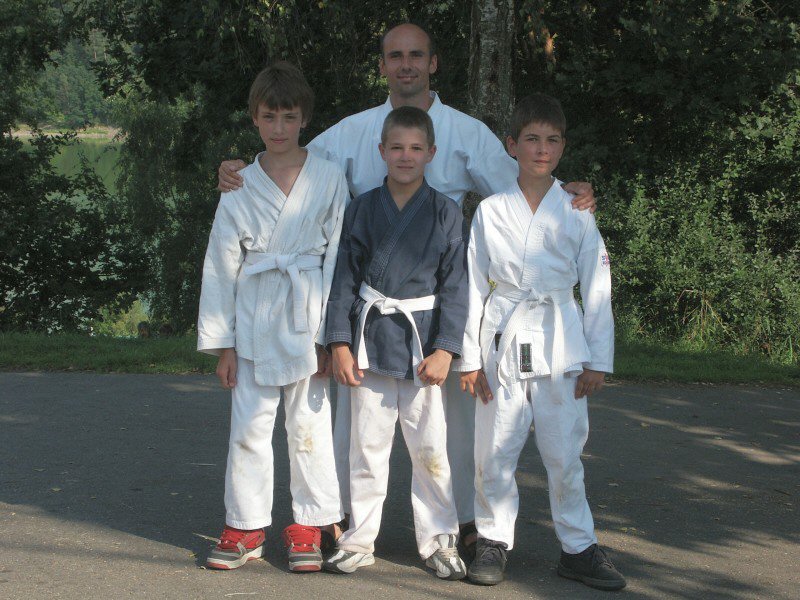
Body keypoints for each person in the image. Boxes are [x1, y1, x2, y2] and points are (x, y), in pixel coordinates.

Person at [216, 22, 597, 560]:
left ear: (433, 63)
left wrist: (570, 193)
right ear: (382, 66)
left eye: (416, 55)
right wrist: (241, 170)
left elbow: (521, 187)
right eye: (395, 56)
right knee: (356, 427)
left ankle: (461, 523)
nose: (406, 65)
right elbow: (289, 156)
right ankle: (339, 520)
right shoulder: (354, 131)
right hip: (370, 304)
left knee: (448, 428)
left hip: (440, 302)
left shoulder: (466, 132)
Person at [459, 93, 625, 590]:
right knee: (495, 449)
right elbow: (472, 285)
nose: (541, 149)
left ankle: (578, 547)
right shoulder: (491, 210)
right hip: (502, 337)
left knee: (564, 453)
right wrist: (470, 359)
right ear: (512, 145)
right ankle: (492, 540)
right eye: (531, 139)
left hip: (561, 340)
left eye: (552, 140)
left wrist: (597, 359)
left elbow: (597, 286)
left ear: (563, 146)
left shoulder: (576, 210)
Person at [197, 62, 348, 573]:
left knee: (310, 425)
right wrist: (224, 344)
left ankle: (310, 524)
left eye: (288, 116)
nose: (279, 127)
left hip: (309, 315)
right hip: (254, 316)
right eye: (269, 117)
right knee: (249, 426)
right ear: (254, 118)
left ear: (304, 118)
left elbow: (339, 258)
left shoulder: (328, 175)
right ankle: (245, 525)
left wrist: (333, 336)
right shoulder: (240, 183)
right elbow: (222, 264)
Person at [321, 106, 467, 580]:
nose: (406, 156)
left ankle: (440, 539)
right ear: (381, 151)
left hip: (423, 344)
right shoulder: (362, 207)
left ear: (431, 153)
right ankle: (359, 539)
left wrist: (446, 349)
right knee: (366, 448)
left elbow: (456, 287)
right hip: (370, 340)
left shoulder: (445, 211)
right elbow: (343, 279)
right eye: (397, 147)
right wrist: (339, 343)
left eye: (416, 148)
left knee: (431, 450)